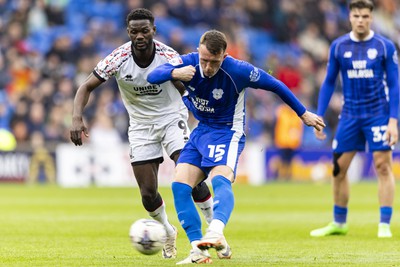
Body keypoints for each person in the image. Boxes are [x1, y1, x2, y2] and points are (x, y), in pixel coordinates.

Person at [147, 29, 325, 264]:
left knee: (220, 178)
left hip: (227, 132)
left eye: (214, 62)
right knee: (180, 186)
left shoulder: (238, 70)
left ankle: (217, 230)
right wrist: (174, 72)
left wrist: (303, 114)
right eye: (204, 60)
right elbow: (153, 76)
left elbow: (275, 84)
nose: (207, 67)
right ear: (198, 52)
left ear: (224, 56)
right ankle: (197, 250)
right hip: (201, 131)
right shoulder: (187, 62)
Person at [69, 8, 214, 259]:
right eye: (134, 31)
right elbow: (86, 86)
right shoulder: (118, 58)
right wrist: (76, 118)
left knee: (190, 175)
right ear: (128, 32)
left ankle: (213, 229)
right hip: (140, 125)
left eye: (144, 30)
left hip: (171, 118)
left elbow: (186, 89)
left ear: (153, 31)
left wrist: (203, 115)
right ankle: (168, 231)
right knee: (148, 194)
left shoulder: (169, 56)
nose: (139, 36)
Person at [310, 0, 399, 238]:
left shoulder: (385, 46)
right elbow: (329, 81)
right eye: (357, 16)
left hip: (378, 114)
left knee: (382, 166)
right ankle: (339, 222)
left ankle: (384, 224)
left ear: (371, 18)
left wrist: (393, 120)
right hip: (349, 116)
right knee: (339, 169)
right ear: (350, 17)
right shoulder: (339, 46)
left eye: (365, 16)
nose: (361, 20)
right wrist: (319, 114)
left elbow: (394, 83)